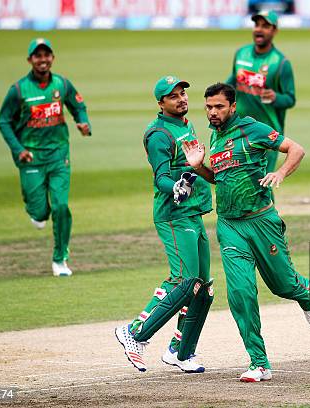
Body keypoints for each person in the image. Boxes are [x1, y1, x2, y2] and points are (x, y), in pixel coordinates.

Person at [182, 83, 310, 383]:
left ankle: (307, 294)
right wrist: (198, 167)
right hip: (230, 226)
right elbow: (220, 179)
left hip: (261, 221)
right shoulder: (214, 136)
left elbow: (296, 149)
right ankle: (259, 362)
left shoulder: (252, 129)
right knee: (240, 293)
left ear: (232, 106)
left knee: (283, 285)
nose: (213, 112)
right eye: (208, 107)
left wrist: (280, 173)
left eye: (219, 107)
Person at [114, 76, 214, 374]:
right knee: (184, 281)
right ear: (161, 103)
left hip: (193, 212)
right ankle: (135, 332)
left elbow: (190, 165)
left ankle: (180, 352)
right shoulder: (158, 134)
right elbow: (160, 176)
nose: (181, 98)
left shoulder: (187, 124)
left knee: (202, 288)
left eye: (183, 93)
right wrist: (176, 187)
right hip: (173, 214)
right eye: (173, 96)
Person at [0, 38, 91, 277]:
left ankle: (60, 259)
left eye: (46, 55)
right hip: (31, 157)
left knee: (60, 206)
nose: (43, 60)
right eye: (37, 56)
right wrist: (18, 149)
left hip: (59, 154)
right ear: (30, 60)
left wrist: (83, 122)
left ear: (52, 58)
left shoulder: (62, 84)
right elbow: (3, 121)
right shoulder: (18, 90)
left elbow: (78, 105)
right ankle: (35, 208)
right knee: (39, 213)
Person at [227, 10, 296, 175]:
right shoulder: (241, 53)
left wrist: (275, 97)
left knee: (262, 181)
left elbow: (290, 99)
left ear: (274, 31)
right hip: (239, 128)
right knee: (239, 180)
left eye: (265, 26)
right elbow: (232, 82)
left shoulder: (280, 63)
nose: (259, 29)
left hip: (267, 132)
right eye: (257, 25)